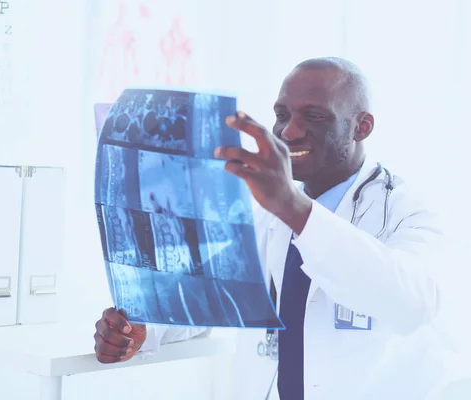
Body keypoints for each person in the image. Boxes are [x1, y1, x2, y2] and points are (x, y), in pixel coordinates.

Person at [93, 57, 451, 399]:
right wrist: (139, 330)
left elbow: (414, 303)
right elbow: (211, 295)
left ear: (362, 126)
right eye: (282, 115)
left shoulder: (407, 207)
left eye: (314, 116)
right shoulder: (269, 213)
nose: (289, 131)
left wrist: (294, 209)